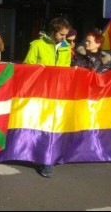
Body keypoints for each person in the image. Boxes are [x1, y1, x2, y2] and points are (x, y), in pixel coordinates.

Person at [23, 16, 72, 178]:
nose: (64, 38)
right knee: (41, 127)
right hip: (41, 94)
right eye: (61, 35)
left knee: (54, 127)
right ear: (53, 31)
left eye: (66, 35)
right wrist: (38, 69)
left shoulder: (66, 48)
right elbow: (27, 67)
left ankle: (48, 160)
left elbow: (67, 70)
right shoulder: (37, 45)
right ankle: (43, 158)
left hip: (59, 94)